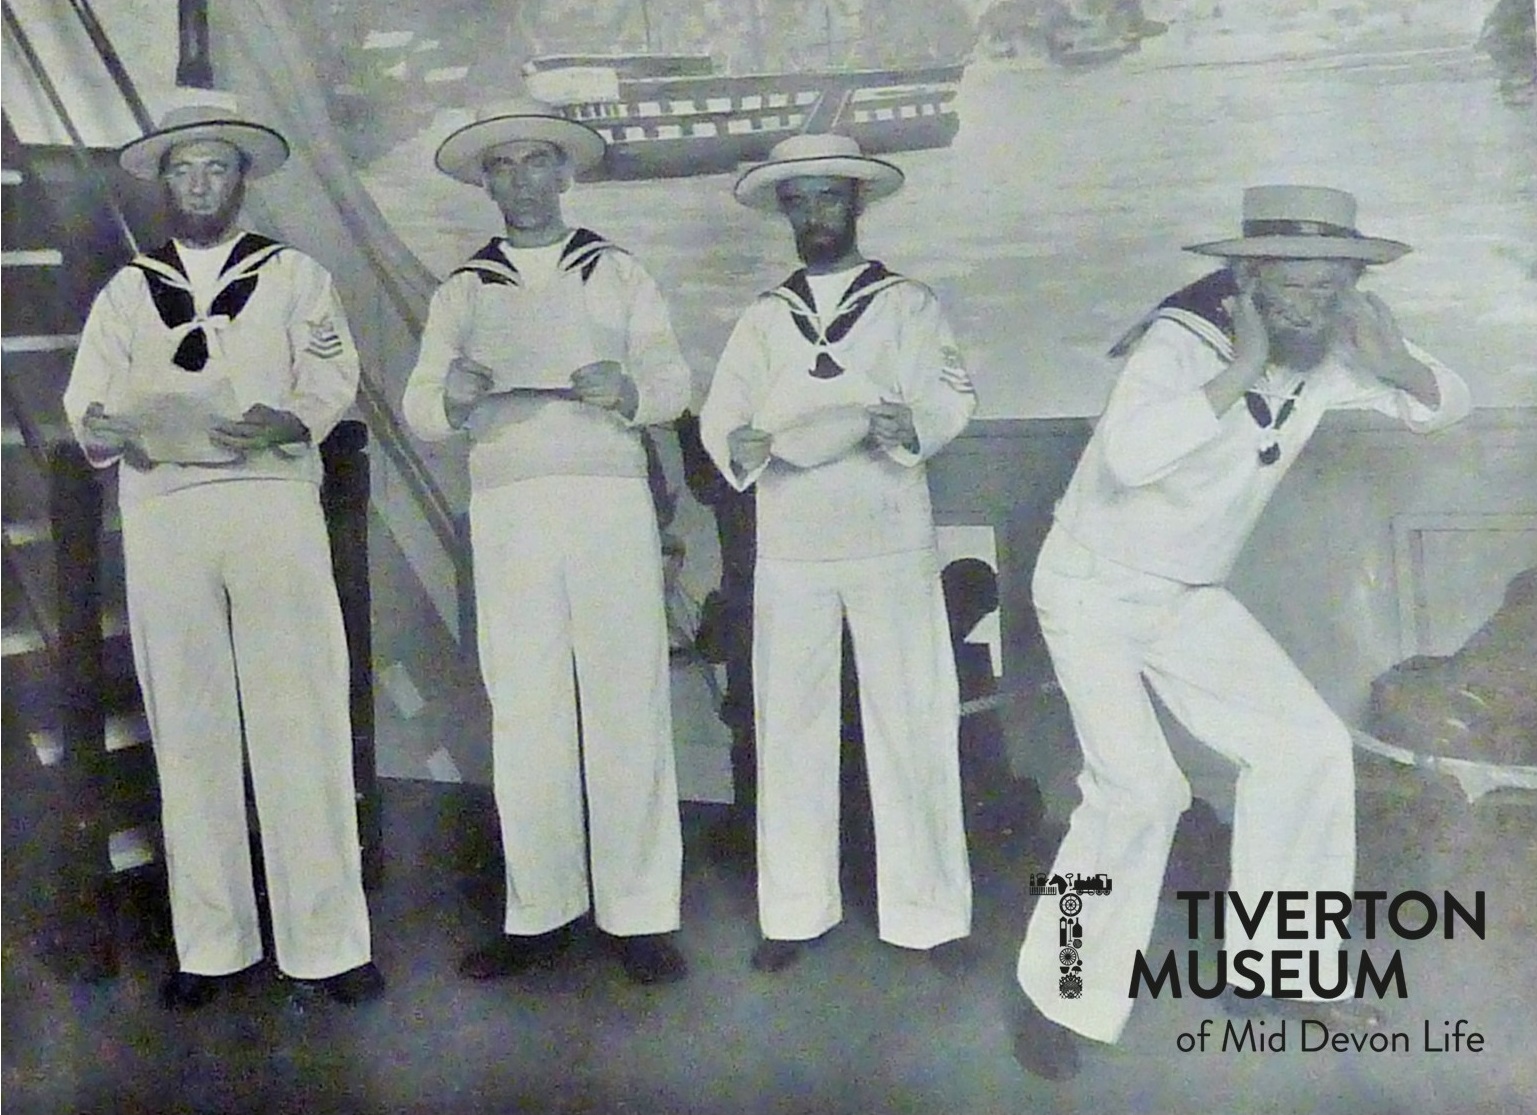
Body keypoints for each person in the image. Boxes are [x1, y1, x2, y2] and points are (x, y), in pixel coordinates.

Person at [1009, 185, 1472, 1079]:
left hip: (1189, 595)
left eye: (1330, 286)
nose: (1311, 305)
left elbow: (1443, 401)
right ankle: (1057, 991)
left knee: (1302, 747)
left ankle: (1280, 967)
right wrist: (1239, 368)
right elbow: (1130, 455)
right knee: (1137, 792)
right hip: (1093, 588)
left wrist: (1399, 365)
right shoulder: (1179, 340)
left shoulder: (1335, 341)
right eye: (1292, 288)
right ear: (1246, 279)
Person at [62, 95, 382, 1010]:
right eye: (182, 169)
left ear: (241, 179)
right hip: (165, 512)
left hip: (270, 501)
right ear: (163, 183)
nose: (199, 184)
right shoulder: (127, 290)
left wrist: (294, 416)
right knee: (190, 725)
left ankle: (328, 942)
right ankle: (212, 944)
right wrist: (107, 424)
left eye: (216, 167)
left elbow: (329, 373)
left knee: (300, 717)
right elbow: (86, 404)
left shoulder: (295, 277)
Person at [402, 99, 691, 985]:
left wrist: (628, 387)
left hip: (606, 500)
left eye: (538, 163)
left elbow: (674, 381)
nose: (523, 180)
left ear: (564, 175)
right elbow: (419, 409)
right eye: (504, 166)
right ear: (486, 182)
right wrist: (452, 392)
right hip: (510, 507)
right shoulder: (463, 288)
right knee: (524, 704)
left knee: (624, 697)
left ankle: (639, 912)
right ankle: (540, 910)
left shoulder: (618, 272)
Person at [699, 134, 976, 973]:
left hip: (887, 534)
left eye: (828, 198)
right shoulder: (761, 316)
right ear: (784, 212)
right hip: (791, 541)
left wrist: (912, 426)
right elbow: (722, 420)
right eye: (799, 201)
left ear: (855, 203)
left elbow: (950, 393)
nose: (814, 215)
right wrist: (742, 442)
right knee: (789, 725)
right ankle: (793, 911)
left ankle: (929, 915)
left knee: (912, 719)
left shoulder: (908, 305)